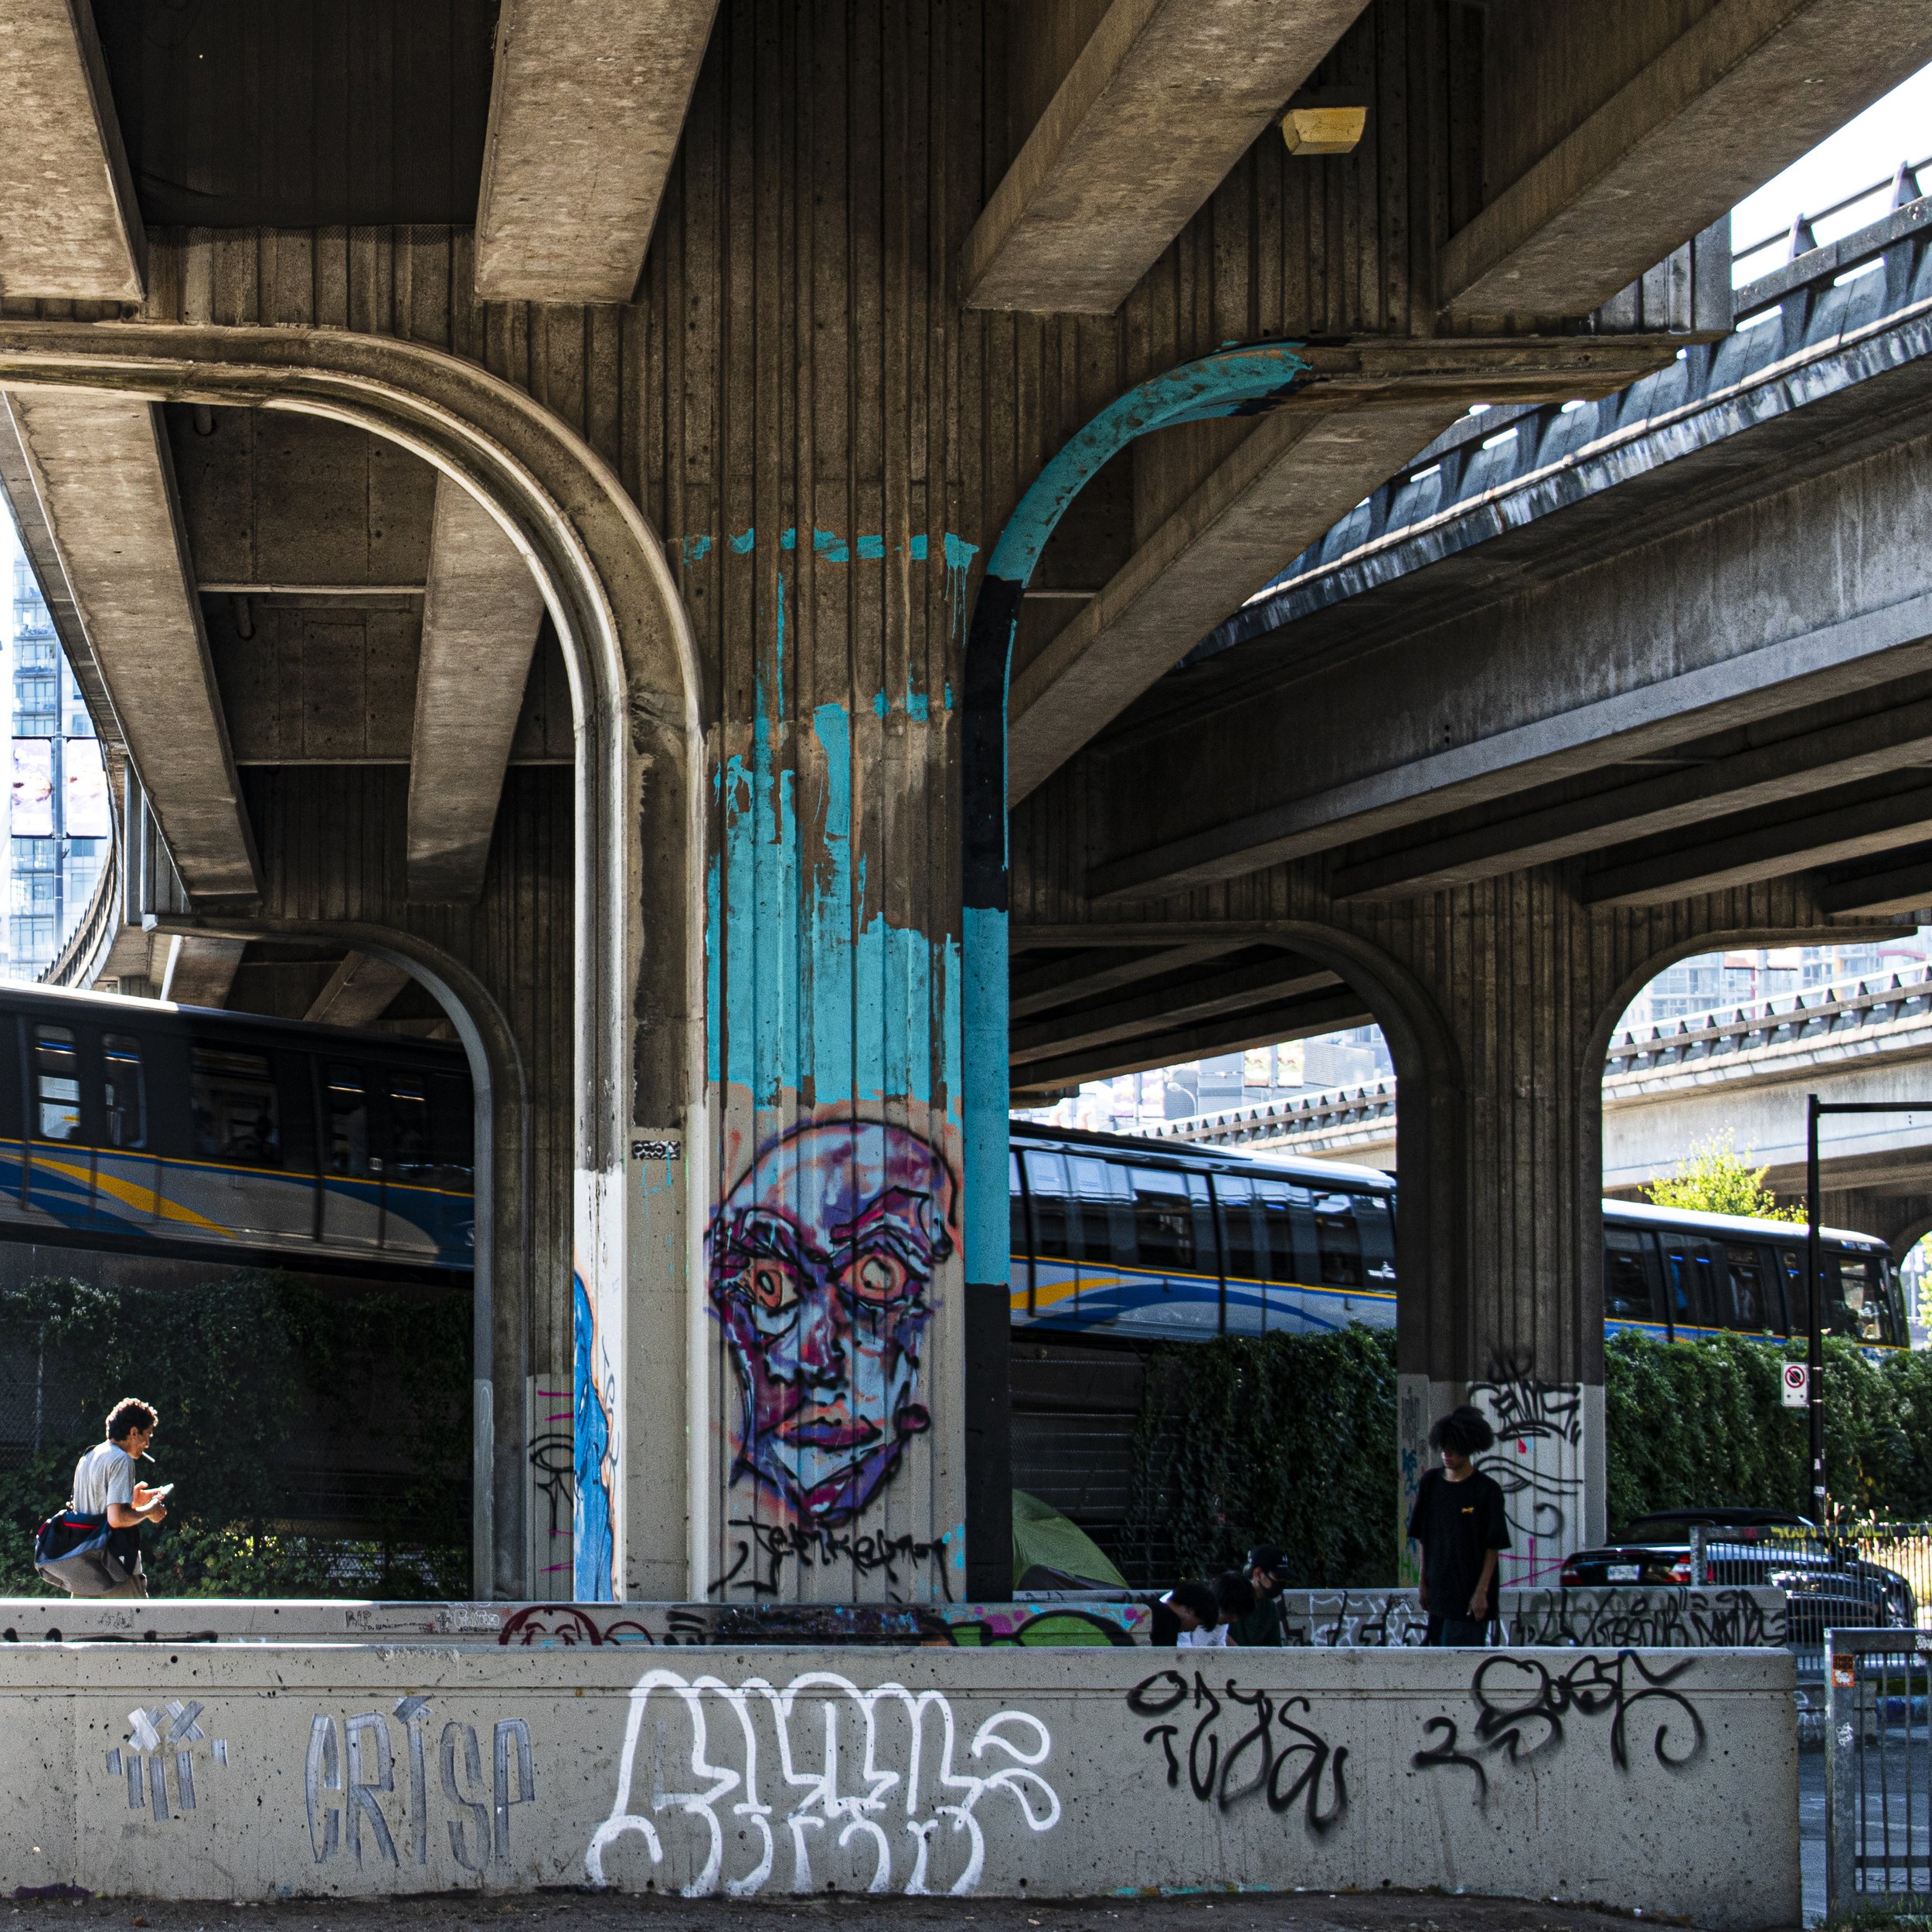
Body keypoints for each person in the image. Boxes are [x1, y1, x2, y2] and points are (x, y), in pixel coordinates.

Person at [1406, 1405, 1509, 1646]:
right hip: (1439, 1595)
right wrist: (1422, 1583)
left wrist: (1481, 1592)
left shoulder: (1486, 1490)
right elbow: (1423, 1536)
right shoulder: (1430, 1483)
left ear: (1469, 1448)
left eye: (1454, 1449)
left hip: (1469, 1598)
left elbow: (1492, 1545)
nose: (1447, 1454)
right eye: (1444, 1448)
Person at [63, 1399, 169, 1598]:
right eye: (147, 1436)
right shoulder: (121, 1460)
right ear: (133, 1432)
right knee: (138, 1629)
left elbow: (98, 1512)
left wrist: (134, 1502)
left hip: (84, 1570)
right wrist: (150, 1510)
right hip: (115, 1568)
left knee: (85, 1630)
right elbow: (116, 1518)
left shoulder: (88, 1457)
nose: (147, 1444)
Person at [1225, 1542, 1287, 1647]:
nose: (1281, 1583)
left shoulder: (1269, 1607)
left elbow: (1274, 1653)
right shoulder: (1227, 1597)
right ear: (1257, 1574)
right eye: (1277, 1576)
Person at [1160, 1580, 1226, 1647]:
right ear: (1190, 1611)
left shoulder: (1168, 1621)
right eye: (1199, 1623)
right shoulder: (1165, 1623)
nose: (1193, 1629)